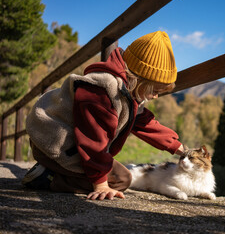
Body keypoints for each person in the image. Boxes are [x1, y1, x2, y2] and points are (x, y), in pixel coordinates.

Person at [22, 31, 185, 200]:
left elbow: (144, 122)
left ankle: (53, 171)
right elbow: (92, 138)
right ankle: (47, 177)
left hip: (71, 142)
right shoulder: (101, 90)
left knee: (120, 178)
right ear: (139, 79)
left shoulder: (130, 92)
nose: (156, 96)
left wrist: (178, 147)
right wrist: (100, 184)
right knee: (115, 180)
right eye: (155, 91)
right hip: (52, 142)